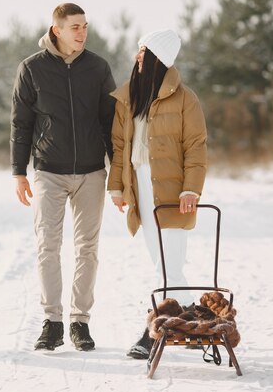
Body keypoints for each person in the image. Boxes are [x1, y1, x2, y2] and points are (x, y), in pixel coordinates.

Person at [10, 3, 116, 351]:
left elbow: (111, 122)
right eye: (75, 27)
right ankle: (52, 322)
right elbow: (21, 123)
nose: (82, 33)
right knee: (47, 246)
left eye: (85, 26)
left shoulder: (98, 67)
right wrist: (18, 172)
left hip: (91, 172)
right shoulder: (32, 69)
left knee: (88, 248)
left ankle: (80, 323)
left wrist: (117, 173)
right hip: (48, 172)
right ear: (56, 30)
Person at [107, 29, 207, 359]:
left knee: (168, 262)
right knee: (161, 261)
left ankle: (155, 330)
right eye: (138, 50)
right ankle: (194, 317)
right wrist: (118, 187)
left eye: (144, 51)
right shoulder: (130, 97)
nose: (138, 56)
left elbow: (195, 146)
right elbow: (119, 147)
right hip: (140, 185)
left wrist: (191, 188)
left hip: (173, 189)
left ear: (158, 59)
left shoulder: (184, 98)